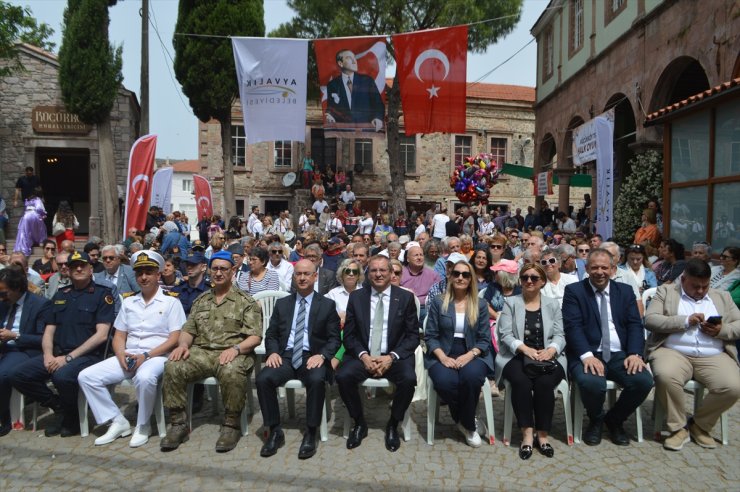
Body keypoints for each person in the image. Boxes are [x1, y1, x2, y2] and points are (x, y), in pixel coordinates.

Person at [77, 251, 185, 448]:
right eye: (139, 273)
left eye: (149, 272)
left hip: (157, 356)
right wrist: (120, 355)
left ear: (158, 275)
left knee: (145, 378)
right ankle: (117, 421)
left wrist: (146, 355)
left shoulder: (171, 302)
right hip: (128, 355)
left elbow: (175, 338)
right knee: (87, 376)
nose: (143, 277)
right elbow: (119, 336)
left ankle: (143, 425)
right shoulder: (128, 302)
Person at [160, 251, 262, 453]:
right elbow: (189, 330)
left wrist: (236, 348)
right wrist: (182, 345)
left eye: (223, 269)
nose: (218, 273)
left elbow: (255, 337)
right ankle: (178, 424)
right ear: (208, 270)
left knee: (232, 371)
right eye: (214, 268)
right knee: (173, 366)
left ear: (232, 271)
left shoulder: (245, 302)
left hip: (234, 352)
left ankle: (231, 425)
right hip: (202, 352)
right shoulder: (201, 301)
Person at [11, 251, 114, 437]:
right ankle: (58, 406)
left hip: (88, 356)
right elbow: (49, 330)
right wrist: (48, 355)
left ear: (91, 269)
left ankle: (71, 418)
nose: (79, 269)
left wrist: (68, 358)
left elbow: (101, 336)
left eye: (83, 265)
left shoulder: (102, 295)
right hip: (58, 354)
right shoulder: (60, 295)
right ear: (68, 269)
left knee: (62, 376)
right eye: (74, 266)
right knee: (19, 375)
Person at [644, 258, 740, 451]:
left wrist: (720, 330)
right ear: (683, 279)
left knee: (732, 386)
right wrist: (685, 321)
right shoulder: (666, 292)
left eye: (705, 286)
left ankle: (699, 425)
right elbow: (651, 320)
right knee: (666, 375)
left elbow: (738, 324)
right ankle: (678, 428)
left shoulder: (721, 296)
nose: (701, 291)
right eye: (696, 286)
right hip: (673, 351)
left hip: (714, 354)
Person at [562, 248, 654, 446]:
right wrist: (586, 356)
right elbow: (573, 326)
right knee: (591, 382)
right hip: (587, 352)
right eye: (594, 267)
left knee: (643, 381)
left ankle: (615, 420)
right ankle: (595, 420)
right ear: (586, 269)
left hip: (620, 354)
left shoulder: (625, 291)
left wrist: (635, 354)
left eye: (605, 267)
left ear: (613, 269)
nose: (600, 272)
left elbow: (634, 325)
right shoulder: (574, 291)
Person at [257, 260, 341, 459]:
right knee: (263, 379)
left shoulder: (327, 305)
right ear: (293, 277)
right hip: (285, 356)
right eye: (298, 274)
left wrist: (322, 356)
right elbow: (271, 334)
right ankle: (275, 430)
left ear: (315, 277)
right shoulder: (283, 303)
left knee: (316, 379)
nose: (302, 278)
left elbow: (334, 338)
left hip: (312, 356)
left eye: (306, 274)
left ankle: (311, 432)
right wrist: (273, 352)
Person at [336, 255, 419, 452]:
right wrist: (364, 356)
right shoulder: (357, 298)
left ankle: (392, 423)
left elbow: (413, 336)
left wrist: (391, 357)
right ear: (367, 274)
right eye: (373, 270)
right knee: (343, 376)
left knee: (408, 380)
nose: (378, 274)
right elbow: (348, 336)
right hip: (363, 355)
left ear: (391, 273)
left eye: (383, 270)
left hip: (393, 356)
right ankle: (359, 421)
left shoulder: (405, 298)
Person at [496, 263, 566, 459]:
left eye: (534, 278)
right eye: (525, 277)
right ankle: (527, 434)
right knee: (521, 382)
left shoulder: (553, 304)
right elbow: (505, 334)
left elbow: (560, 334)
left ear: (542, 281)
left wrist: (551, 349)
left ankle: (543, 435)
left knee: (544, 383)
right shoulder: (511, 303)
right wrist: (525, 349)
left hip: (548, 356)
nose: (529, 281)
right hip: (517, 355)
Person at [425, 259, 493, 448]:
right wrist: (443, 357)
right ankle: (468, 422)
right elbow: (430, 335)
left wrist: (469, 355)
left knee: (471, 378)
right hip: (444, 350)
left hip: (473, 352)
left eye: (465, 274)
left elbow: (484, 338)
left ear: (471, 279)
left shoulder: (480, 304)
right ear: (450, 276)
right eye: (456, 273)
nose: (460, 277)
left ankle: (466, 424)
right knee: (445, 381)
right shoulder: (439, 302)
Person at [0, 266, 51, 436]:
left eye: (4, 292)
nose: (1, 297)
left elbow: (43, 339)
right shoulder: (3, 303)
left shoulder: (39, 305)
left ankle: (4, 419)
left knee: (3, 374)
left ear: (17, 288)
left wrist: (15, 336)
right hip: (4, 346)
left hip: (24, 349)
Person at [325, 49, 384, 131]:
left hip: (366, 131)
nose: (354, 61)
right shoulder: (332, 85)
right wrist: (330, 115)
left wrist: (378, 118)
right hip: (344, 133)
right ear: (340, 63)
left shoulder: (367, 81)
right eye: (349, 58)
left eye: (354, 58)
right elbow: (331, 108)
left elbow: (378, 103)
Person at [14, 188, 47, 257]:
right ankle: (39, 241)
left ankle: (24, 248)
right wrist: (43, 214)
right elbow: (39, 208)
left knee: (25, 231)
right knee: (40, 228)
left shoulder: (28, 200)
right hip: (34, 215)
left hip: (26, 215)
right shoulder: (38, 200)